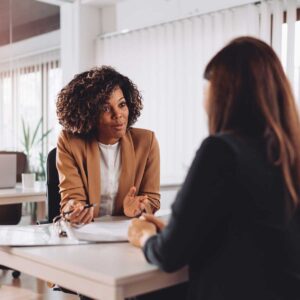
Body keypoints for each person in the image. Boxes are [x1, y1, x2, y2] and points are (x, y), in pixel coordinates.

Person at [128, 36, 300, 300]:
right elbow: (248, 231)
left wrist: (145, 236)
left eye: (206, 88)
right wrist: (177, 230)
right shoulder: (289, 153)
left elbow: (169, 255)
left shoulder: (221, 151)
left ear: (223, 94)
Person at [56, 66, 160, 224]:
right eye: (105, 108)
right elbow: (71, 199)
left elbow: (152, 200)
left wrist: (139, 207)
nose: (118, 114)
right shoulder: (70, 142)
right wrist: (75, 208)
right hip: (86, 234)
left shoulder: (146, 142)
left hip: (125, 235)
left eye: (122, 104)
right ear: (89, 113)